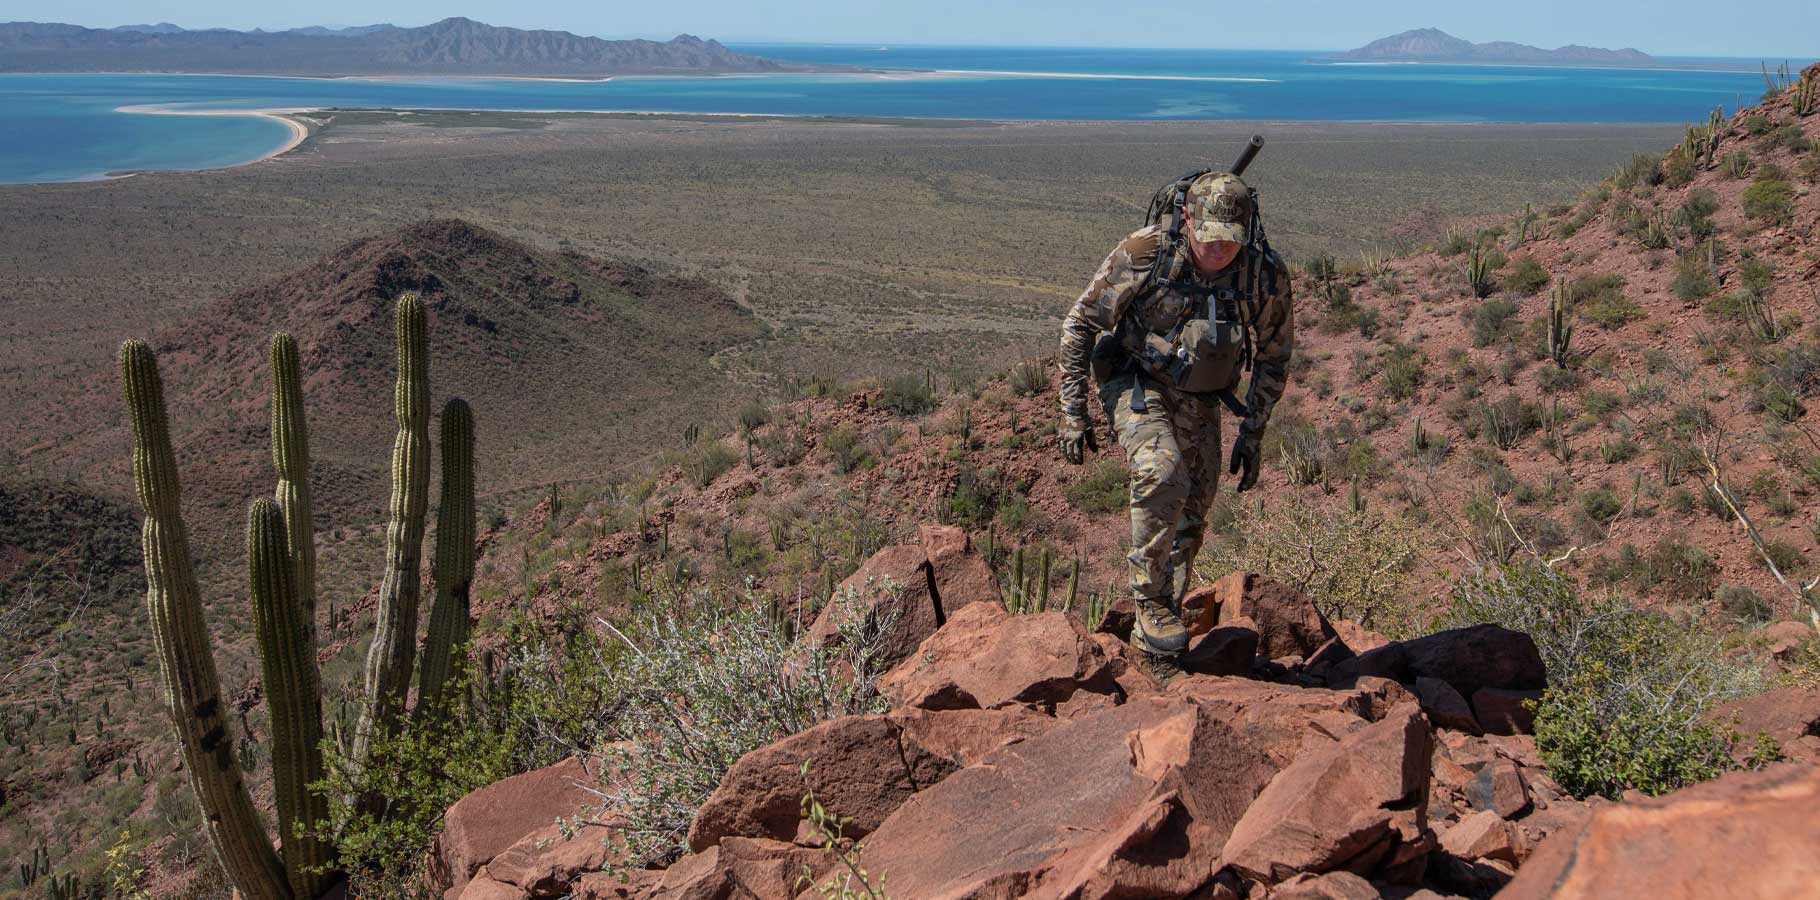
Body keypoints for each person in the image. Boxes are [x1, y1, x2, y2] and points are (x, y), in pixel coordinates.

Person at [1055, 171, 1295, 656]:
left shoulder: (1262, 274)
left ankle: (1158, 634)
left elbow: (1275, 356)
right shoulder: (1147, 252)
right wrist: (1073, 410)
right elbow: (1080, 323)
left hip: (1200, 393)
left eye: (1230, 239)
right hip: (1135, 378)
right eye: (1208, 238)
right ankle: (1148, 599)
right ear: (1186, 219)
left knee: (1193, 508)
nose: (1219, 249)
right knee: (1161, 471)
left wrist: (1253, 432)